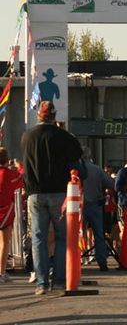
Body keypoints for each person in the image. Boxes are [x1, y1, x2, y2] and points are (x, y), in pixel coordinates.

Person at [21, 101, 83, 294]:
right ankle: (58, 280)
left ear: (38, 115)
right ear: (54, 116)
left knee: (38, 238)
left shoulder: (26, 137)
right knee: (61, 237)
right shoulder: (63, 137)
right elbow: (78, 156)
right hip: (58, 193)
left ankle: (41, 282)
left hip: (35, 193)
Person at [80, 147, 115, 272]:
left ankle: (75, 260)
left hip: (79, 205)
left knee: (78, 234)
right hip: (95, 204)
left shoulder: (74, 169)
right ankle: (102, 261)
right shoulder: (97, 169)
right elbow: (110, 184)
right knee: (98, 234)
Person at [0, 148, 23, 282]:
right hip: (6, 211)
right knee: (4, 242)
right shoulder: (9, 174)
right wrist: (19, 167)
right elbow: (21, 180)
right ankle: (1, 272)